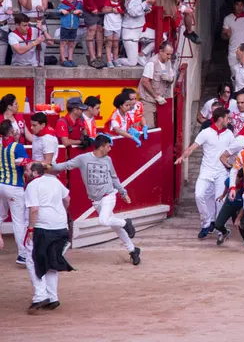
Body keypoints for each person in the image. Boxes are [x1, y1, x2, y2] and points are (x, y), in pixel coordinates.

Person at [49, 135, 141, 266]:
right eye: (108, 146)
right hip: (96, 200)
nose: (110, 149)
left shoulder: (108, 160)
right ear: (102, 147)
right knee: (115, 226)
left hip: (108, 195)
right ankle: (133, 250)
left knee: (103, 220)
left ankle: (126, 222)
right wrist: (49, 167)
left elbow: (114, 178)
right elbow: (66, 165)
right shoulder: (83, 159)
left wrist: (122, 192)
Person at [175, 108, 234, 239]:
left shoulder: (229, 134)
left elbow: (233, 151)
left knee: (220, 200)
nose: (229, 120)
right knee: (199, 195)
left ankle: (220, 228)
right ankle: (206, 223)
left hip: (221, 171)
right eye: (227, 118)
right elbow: (192, 148)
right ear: (220, 119)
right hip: (206, 171)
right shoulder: (206, 133)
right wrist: (182, 157)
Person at [23, 162, 74, 314]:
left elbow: (34, 209)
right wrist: (60, 213)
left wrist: (31, 228)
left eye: (27, 170)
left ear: (34, 173)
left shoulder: (33, 186)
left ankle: (40, 296)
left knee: (32, 260)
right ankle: (53, 297)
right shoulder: (54, 181)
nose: (25, 173)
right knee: (51, 260)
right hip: (60, 226)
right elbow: (67, 199)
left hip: (42, 227)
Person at [0, 120, 31, 265]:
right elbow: (26, 166)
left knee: (0, 216)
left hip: (1, 185)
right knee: (19, 222)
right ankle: (22, 254)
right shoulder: (17, 147)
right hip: (14, 187)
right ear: (12, 132)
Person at [138, 41, 175, 128]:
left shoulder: (168, 62)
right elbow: (145, 82)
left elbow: (172, 78)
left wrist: (170, 79)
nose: (169, 57)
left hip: (162, 100)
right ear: (161, 51)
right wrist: (156, 96)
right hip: (149, 101)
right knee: (149, 126)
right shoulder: (152, 63)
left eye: (171, 54)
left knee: (161, 126)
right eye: (167, 54)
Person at [222, 0, 244, 77]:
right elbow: (223, 37)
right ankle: (236, 89)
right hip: (233, 51)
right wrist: (227, 34)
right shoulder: (228, 19)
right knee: (234, 75)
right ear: (234, 6)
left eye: (241, 5)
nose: (239, 7)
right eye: (237, 5)